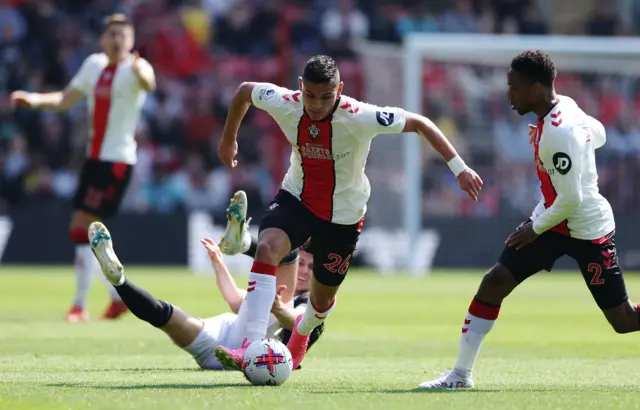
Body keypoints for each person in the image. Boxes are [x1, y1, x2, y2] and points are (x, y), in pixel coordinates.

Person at [214, 54, 483, 371]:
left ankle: (298, 339)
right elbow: (246, 90)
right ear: (300, 87)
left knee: (320, 304)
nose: (316, 105)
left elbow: (420, 123)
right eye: (310, 96)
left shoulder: (359, 116)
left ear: (339, 89)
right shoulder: (286, 102)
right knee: (268, 245)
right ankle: (250, 347)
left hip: (343, 216)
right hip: (297, 198)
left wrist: (460, 168)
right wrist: (228, 139)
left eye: (326, 97)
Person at [418, 50, 638, 389]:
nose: (509, 95)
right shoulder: (564, 106)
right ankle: (460, 376)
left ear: (536, 87)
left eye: (513, 87)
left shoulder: (558, 133)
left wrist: (534, 228)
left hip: (587, 228)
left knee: (624, 321)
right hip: (553, 221)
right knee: (495, 282)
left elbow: (573, 198)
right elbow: (600, 133)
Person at [10, 14, 156, 322]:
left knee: (82, 225)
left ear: (131, 42)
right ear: (103, 39)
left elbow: (149, 82)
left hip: (118, 161)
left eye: (123, 35)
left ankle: (81, 304)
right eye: (112, 34)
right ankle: (115, 298)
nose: (117, 40)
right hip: (94, 159)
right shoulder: (93, 65)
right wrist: (33, 100)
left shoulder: (136, 69)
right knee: (85, 228)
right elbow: (65, 100)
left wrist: (142, 69)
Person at [87, 219, 323, 370]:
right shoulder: (271, 297)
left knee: (287, 249)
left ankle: (242, 243)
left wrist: (279, 309)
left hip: (256, 355)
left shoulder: (308, 302)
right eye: (302, 264)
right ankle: (119, 281)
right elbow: (235, 300)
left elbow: (302, 324)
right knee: (163, 315)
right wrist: (219, 264)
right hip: (222, 339)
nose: (303, 272)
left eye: (310, 268)